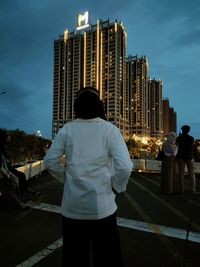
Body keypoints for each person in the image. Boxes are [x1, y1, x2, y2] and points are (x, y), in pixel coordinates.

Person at [44, 86, 133, 267]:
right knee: (108, 259)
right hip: (103, 209)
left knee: (74, 259)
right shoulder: (110, 129)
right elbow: (125, 166)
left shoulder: (67, 129)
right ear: (99, 105)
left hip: (72, 209)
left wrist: (65, 178)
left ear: (77, 106)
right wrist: (117, 186)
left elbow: (50, 161)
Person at [0, 129, 30, 210]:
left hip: (6, 170)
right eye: (7, 136)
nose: (9, 137)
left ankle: (20, 199)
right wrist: (7, 174)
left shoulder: (4, 146)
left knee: (16, 181)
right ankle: (20, 204)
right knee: (10, 187)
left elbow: (4, 161)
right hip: (3, 173)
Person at [176, 125, 196, 194]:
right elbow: (191, 148)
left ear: (182, 130)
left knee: (181, 174)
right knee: (192, 174)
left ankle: (181, 190)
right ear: (188, 131)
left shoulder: (179, 138)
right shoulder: (191, 138)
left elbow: (177, 147)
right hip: (190, 157)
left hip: (181, 157)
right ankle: (193, 190)